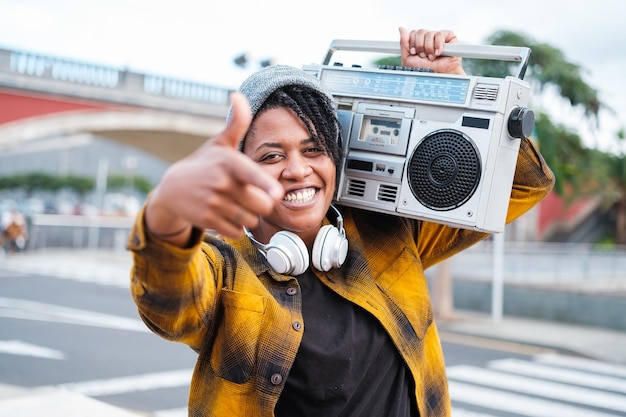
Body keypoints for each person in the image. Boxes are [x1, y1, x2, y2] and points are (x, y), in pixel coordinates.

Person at [127, 27, 554, 417]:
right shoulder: (224, 264)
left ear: (335, 158)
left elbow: (521, 188)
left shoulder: (387, 232)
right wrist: (167, 216)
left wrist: (455, 93)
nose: (297, 170)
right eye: (272, 156)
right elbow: (170, 301)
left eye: (313, 149)